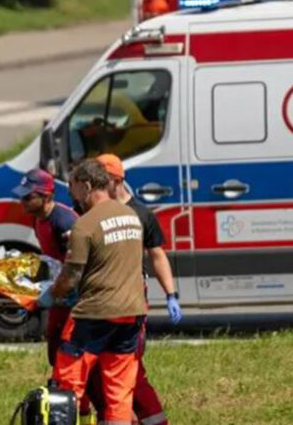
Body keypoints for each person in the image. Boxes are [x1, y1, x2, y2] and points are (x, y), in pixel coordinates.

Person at [51, 159, 147, 425]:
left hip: (92, 316)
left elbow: (71, 278)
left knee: (66, 385)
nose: (72, 197)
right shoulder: (131, 216)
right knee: (119, 393)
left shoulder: (85, 225)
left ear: (87, 185)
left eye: (73, 189)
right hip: (131, 313)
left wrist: (50, 294)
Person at [89, 153, 180, 425]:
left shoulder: (140, 214)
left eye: (102, 179)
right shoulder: (90, 210)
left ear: (116, 180)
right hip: (101, 297)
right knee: (104, 365)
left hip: (131, 298)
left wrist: (171, 294)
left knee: (128, 364)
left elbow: (157, 255)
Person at [12, 168, 77, 366]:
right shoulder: (37, 219)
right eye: (21, 197)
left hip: (73, 297)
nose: (22, 202)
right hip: (59, 294)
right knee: (54, 351)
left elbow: (75, 265)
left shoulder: (64, 221)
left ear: (46, 197)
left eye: (28, 197)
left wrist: (61, 293)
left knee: (69, 354)